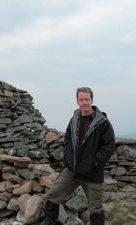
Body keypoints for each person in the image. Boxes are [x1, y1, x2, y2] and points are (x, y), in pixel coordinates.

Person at [40, 87, 115, 225]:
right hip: (72, 170)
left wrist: (96, 163)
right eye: (81, 99)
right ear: (77, 101)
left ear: (92, 100)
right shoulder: (74, 119)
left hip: (92, 172)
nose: (84, 102)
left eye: (87, 99)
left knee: (96, 208)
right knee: (53, 195)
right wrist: (68, 160)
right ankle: (49, 221)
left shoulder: (102, 122)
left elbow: (109, 145)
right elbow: (67, 141)